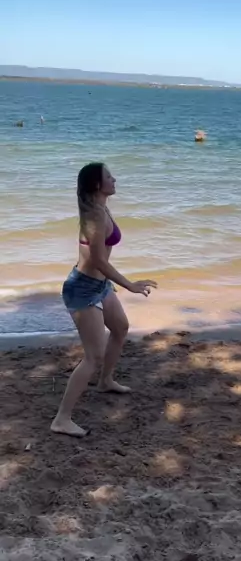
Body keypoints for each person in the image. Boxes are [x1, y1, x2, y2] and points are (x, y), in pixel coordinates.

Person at [51, 162, 157, 437]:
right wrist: (130, 285)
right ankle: (61, 419)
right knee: (93, 356)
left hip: (100, 285)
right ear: (97, 185)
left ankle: (105, 381)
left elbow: (99, 260)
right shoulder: (94, 216)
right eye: (109, 176)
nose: (115, 179)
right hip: (83, 289)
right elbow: (98, 260)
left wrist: (112, 283)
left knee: (120, 327)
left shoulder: (101, 208)